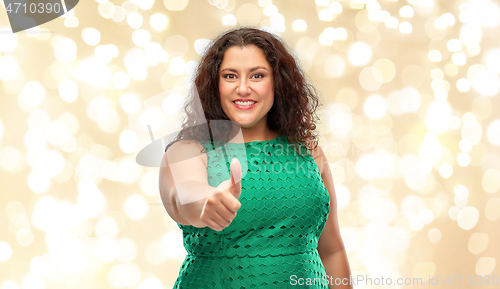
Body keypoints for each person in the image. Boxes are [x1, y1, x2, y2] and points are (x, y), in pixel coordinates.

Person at [159, 27, 352, 288]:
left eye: (257, 76)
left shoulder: (308, 151)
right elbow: (184, 194)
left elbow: (332, 251)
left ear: (277, 82)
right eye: (230, 76)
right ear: (215, 85)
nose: (243, 88)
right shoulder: (188, 150)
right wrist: (206, 202)